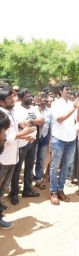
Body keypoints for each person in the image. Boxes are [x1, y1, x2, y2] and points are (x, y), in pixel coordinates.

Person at [0, 87, 35, 229]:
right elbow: (3, 139)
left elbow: (12, 133)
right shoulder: (1, 115)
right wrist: (21, 134)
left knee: (3, 188)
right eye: (10, 98)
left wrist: (24, 136)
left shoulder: (10, 112)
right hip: (2, 159)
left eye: (13, 97)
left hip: (11, 157)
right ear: (1, 102)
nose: (14, 99)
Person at [49, 82, 79, 205]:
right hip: (59, 139)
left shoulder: (72, 104)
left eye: (70, 89)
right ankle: (53, 192)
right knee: (55, 166)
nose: (69, 91)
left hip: (71, 139)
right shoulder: (55, 104)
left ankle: (60, 190)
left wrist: (78, 109)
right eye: (66, 89)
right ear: (60, 91)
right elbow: (60, 119)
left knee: (65, 166)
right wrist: (74, 108)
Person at [10, 89, 45, 205]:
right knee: (17, 170)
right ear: (20, 98)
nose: (30, 98)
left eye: (31, 96)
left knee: (29, 168)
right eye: (27, 96)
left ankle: (27, 190)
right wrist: (35, 121)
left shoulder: (34, 108)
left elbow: (42, 121)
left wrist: (29, 121)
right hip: (20, 143)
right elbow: (21, 124)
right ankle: (14, 193)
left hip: (32, 142)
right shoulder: (16, 108)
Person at [34, 92, 54, 189]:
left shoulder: (49, 111)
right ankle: (29, 179)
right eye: (42, 97)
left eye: (45, 98)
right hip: (34, 138)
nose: (44, 99)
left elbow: (51, 127)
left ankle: (38, 179)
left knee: (41, 159)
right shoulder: (33, 110)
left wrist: (50, 140)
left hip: (45, 137)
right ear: (37, 99)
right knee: (31, 159)